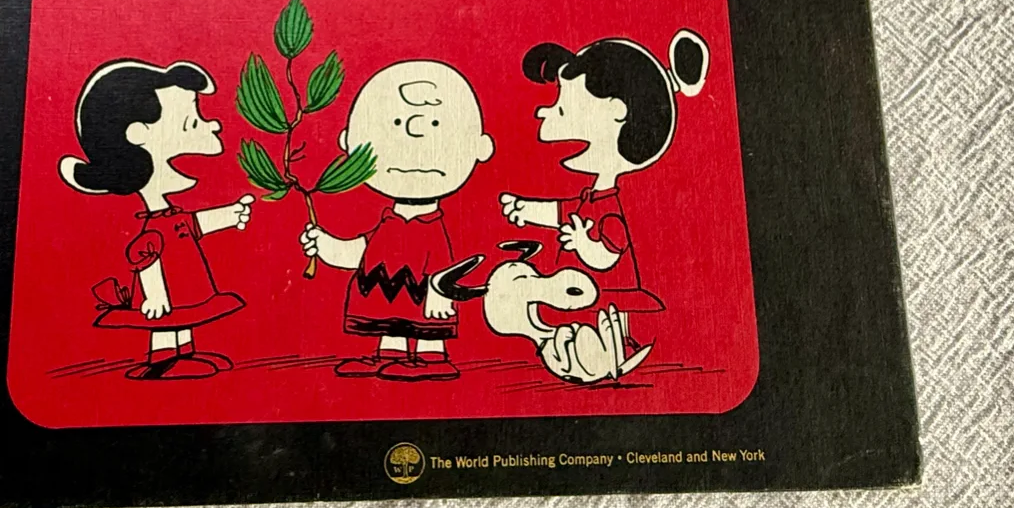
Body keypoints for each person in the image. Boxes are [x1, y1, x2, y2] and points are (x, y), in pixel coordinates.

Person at [499, 31, 710, 341]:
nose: (544, 112)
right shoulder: (593, 196)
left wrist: (582, 243)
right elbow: (563, 212)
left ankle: (614, 347)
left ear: (616, 111)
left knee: (606, 326)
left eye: (563, 109)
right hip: (581, 293)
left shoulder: (609, 207)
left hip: (608, 291)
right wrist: (526, 209)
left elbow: (609, 254)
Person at [301, 60, 494, 381]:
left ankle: (433, 357)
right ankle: (390, 352)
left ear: (480, 148)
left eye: (435, 124)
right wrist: (326, 245)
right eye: (396, 122)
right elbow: (362, 252)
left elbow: (442, 267)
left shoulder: (430, 227)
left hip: (423, 293)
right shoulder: (388, 223)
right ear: (349, 142)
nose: (414, 132)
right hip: (385, 288)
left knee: (422, 318)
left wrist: (439, 293)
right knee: (389, 314)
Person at [60, 59, 252, 380]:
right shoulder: (155, 225)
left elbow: (193, 225)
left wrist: (229, 215)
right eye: (191, 123)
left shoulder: (171, 216)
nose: (214, 125)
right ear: (139, 134)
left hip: (187, 286)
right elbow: (144, 256)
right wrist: (155, 294)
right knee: (168, 319)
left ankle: (185, 353)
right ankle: (162, 360)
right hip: (168, 291)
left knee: (185, 314)